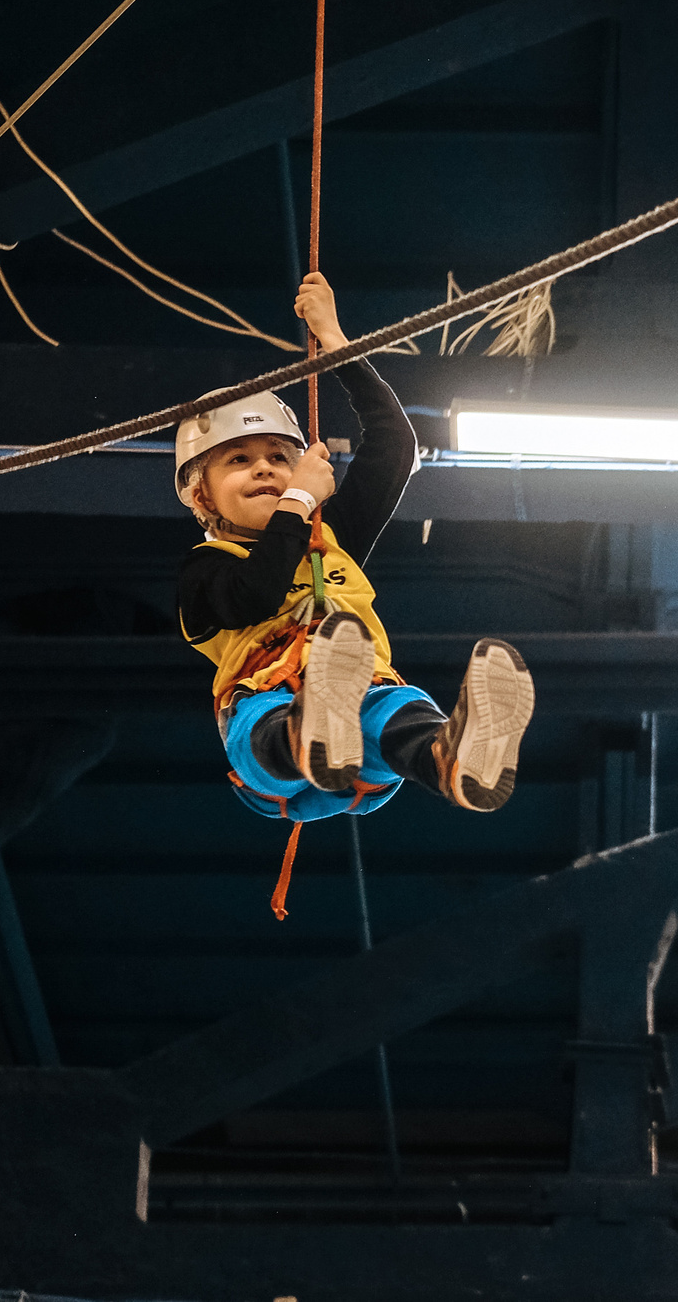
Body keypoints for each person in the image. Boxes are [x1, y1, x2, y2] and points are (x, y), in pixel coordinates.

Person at [175, 271, 535, 914]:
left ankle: (449, 758)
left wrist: (337, 342)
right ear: (201, 495)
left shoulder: (328, 536)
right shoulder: (204, 572)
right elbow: (257, 595)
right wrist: (298, 499)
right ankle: (313, 731)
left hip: (364, 733)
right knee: (273, 721)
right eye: (238, 460)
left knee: (396, 705)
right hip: (266, 737)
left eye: (278, 457)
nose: (264, 468)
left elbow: (394, 447)